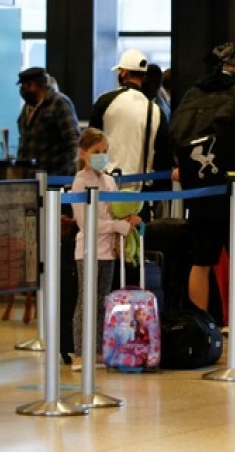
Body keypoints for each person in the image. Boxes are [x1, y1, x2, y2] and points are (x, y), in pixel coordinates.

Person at [172, 41, 235, 354]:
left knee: (200, 261)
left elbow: (175, 138)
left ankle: (201, 330)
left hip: (201, 193)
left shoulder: (192, 95)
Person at [70, 127, 143, 371]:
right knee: (86, 301)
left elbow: (116, 210)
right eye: (96, 152)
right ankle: (80, 352)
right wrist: (118, 226)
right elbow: (86, 224)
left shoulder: (109, 181)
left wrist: (129, 220)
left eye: (105, 152)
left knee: (103, 302)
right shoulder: (80, 183)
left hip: (108, 252)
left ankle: (99, 349)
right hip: (88, 251)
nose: (102, 156)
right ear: (83, 154)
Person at [89, 49, 171, 193]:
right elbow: (163, 155)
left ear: (124, 72)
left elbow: (92, 145)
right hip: (142, 191)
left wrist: (92, 179)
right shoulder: (156, 110)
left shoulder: (106, 101)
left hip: (107, 187)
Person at [16, 67, 80, 176]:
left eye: (24, 86)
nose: (22, 90)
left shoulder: (59, 102)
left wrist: (75, 172)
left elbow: (73, 139)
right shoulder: (27, 107)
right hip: (30, 177)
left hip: (54, 176)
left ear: (33, 85)